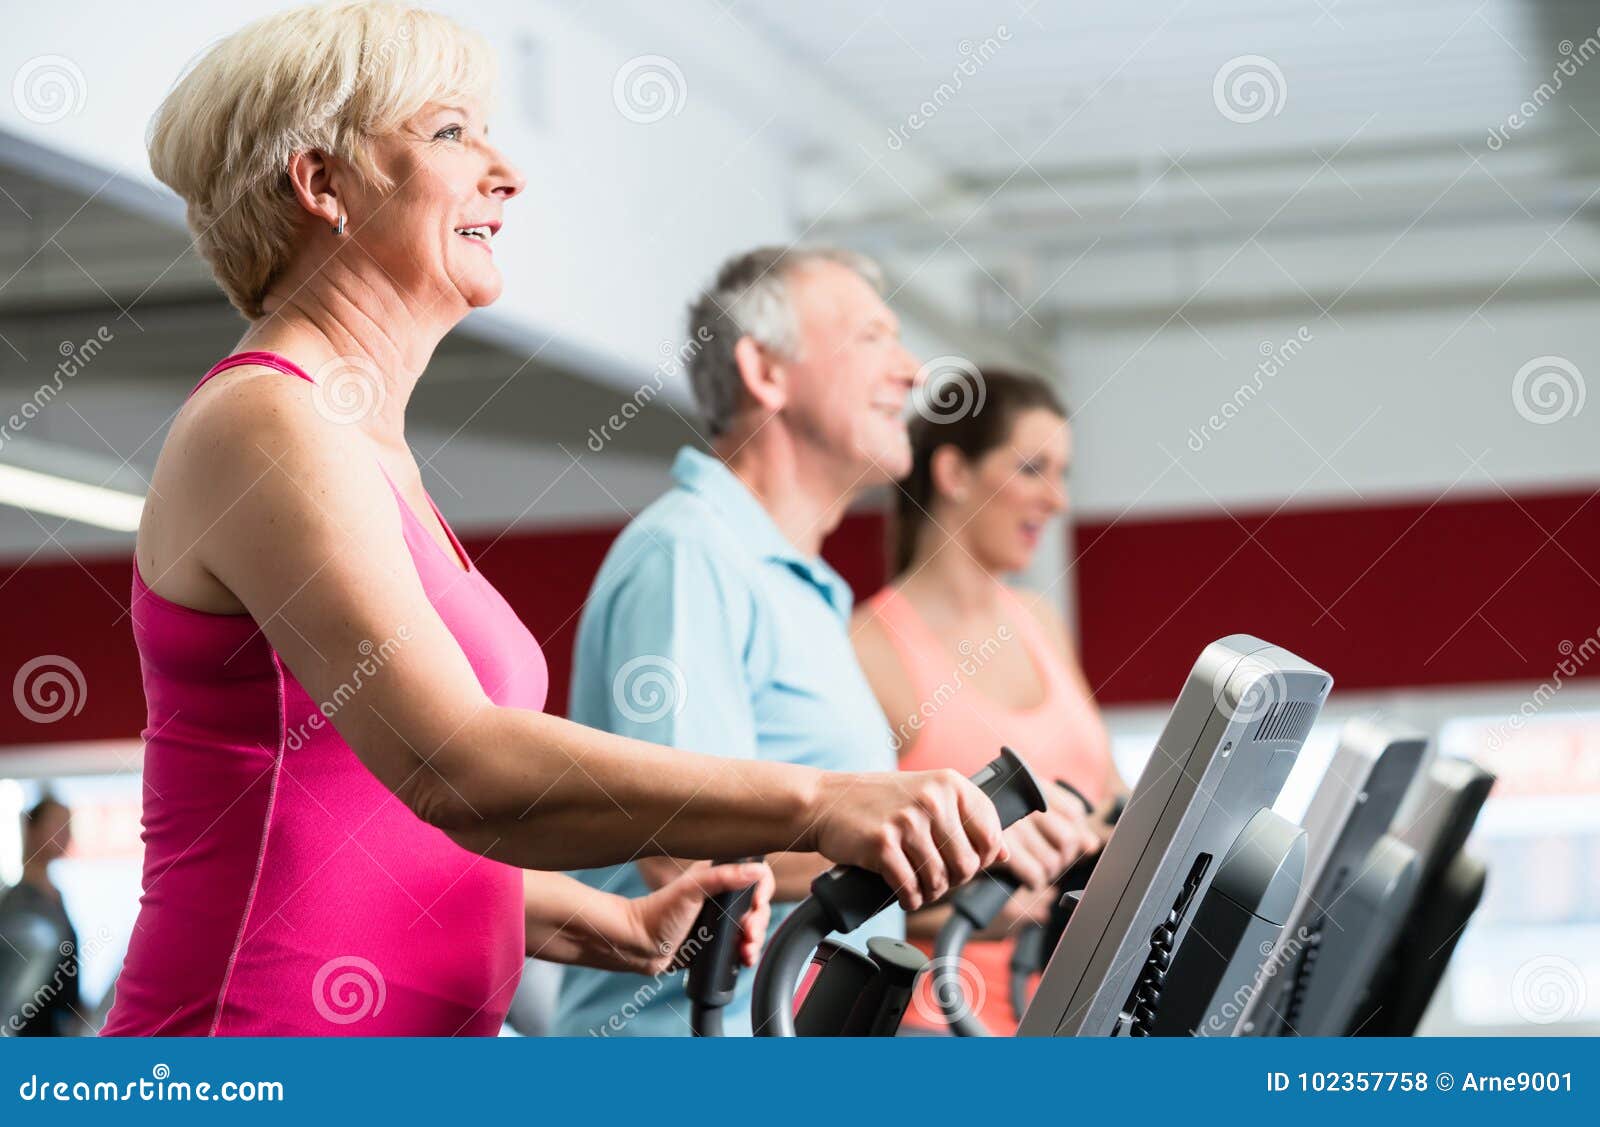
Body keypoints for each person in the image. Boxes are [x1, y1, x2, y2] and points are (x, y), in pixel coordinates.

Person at [101, 3, 1006, 1037]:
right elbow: (457, 766)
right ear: (323, 185)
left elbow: (361, 821)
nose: (506, 171)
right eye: (450, 132)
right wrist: (818, 801)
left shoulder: (360, 448)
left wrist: (609, 924)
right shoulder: (269, 422)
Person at [554, 249, 1095, 1036]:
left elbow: (820, 885)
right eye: (873, 337)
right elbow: (685, 857)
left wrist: (965, 861)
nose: (912, 371)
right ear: (765, 371)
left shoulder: (805, 589)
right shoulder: (691, 557)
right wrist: (944, 845)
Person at [852, 368, 1128, 1034]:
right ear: (953, 473)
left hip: (1077, 1011)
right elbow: (855, 889)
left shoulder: (1040, 620)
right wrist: (997, 892)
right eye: (1032, 469)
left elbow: (1112, 803)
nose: (1057, 499)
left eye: (1062, 473)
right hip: (944, 1023)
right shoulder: (867, 647)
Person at [0, 797, 81, 1036]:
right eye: (57, 824)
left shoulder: (57, 896)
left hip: (58, 1033)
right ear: (31, 829)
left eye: (68, 826)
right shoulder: (15, 901)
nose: (65, 834)